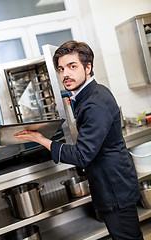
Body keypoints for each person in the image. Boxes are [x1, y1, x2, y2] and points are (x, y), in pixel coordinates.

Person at [14, 40, 144, 240]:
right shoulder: (91, 93)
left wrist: (40, 139)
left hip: (114, 187)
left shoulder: (94, 103)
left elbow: (82, 155)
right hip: (114, 182)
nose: (65, 74)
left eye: (72, 66)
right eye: (61, 68)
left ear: (88, 67)